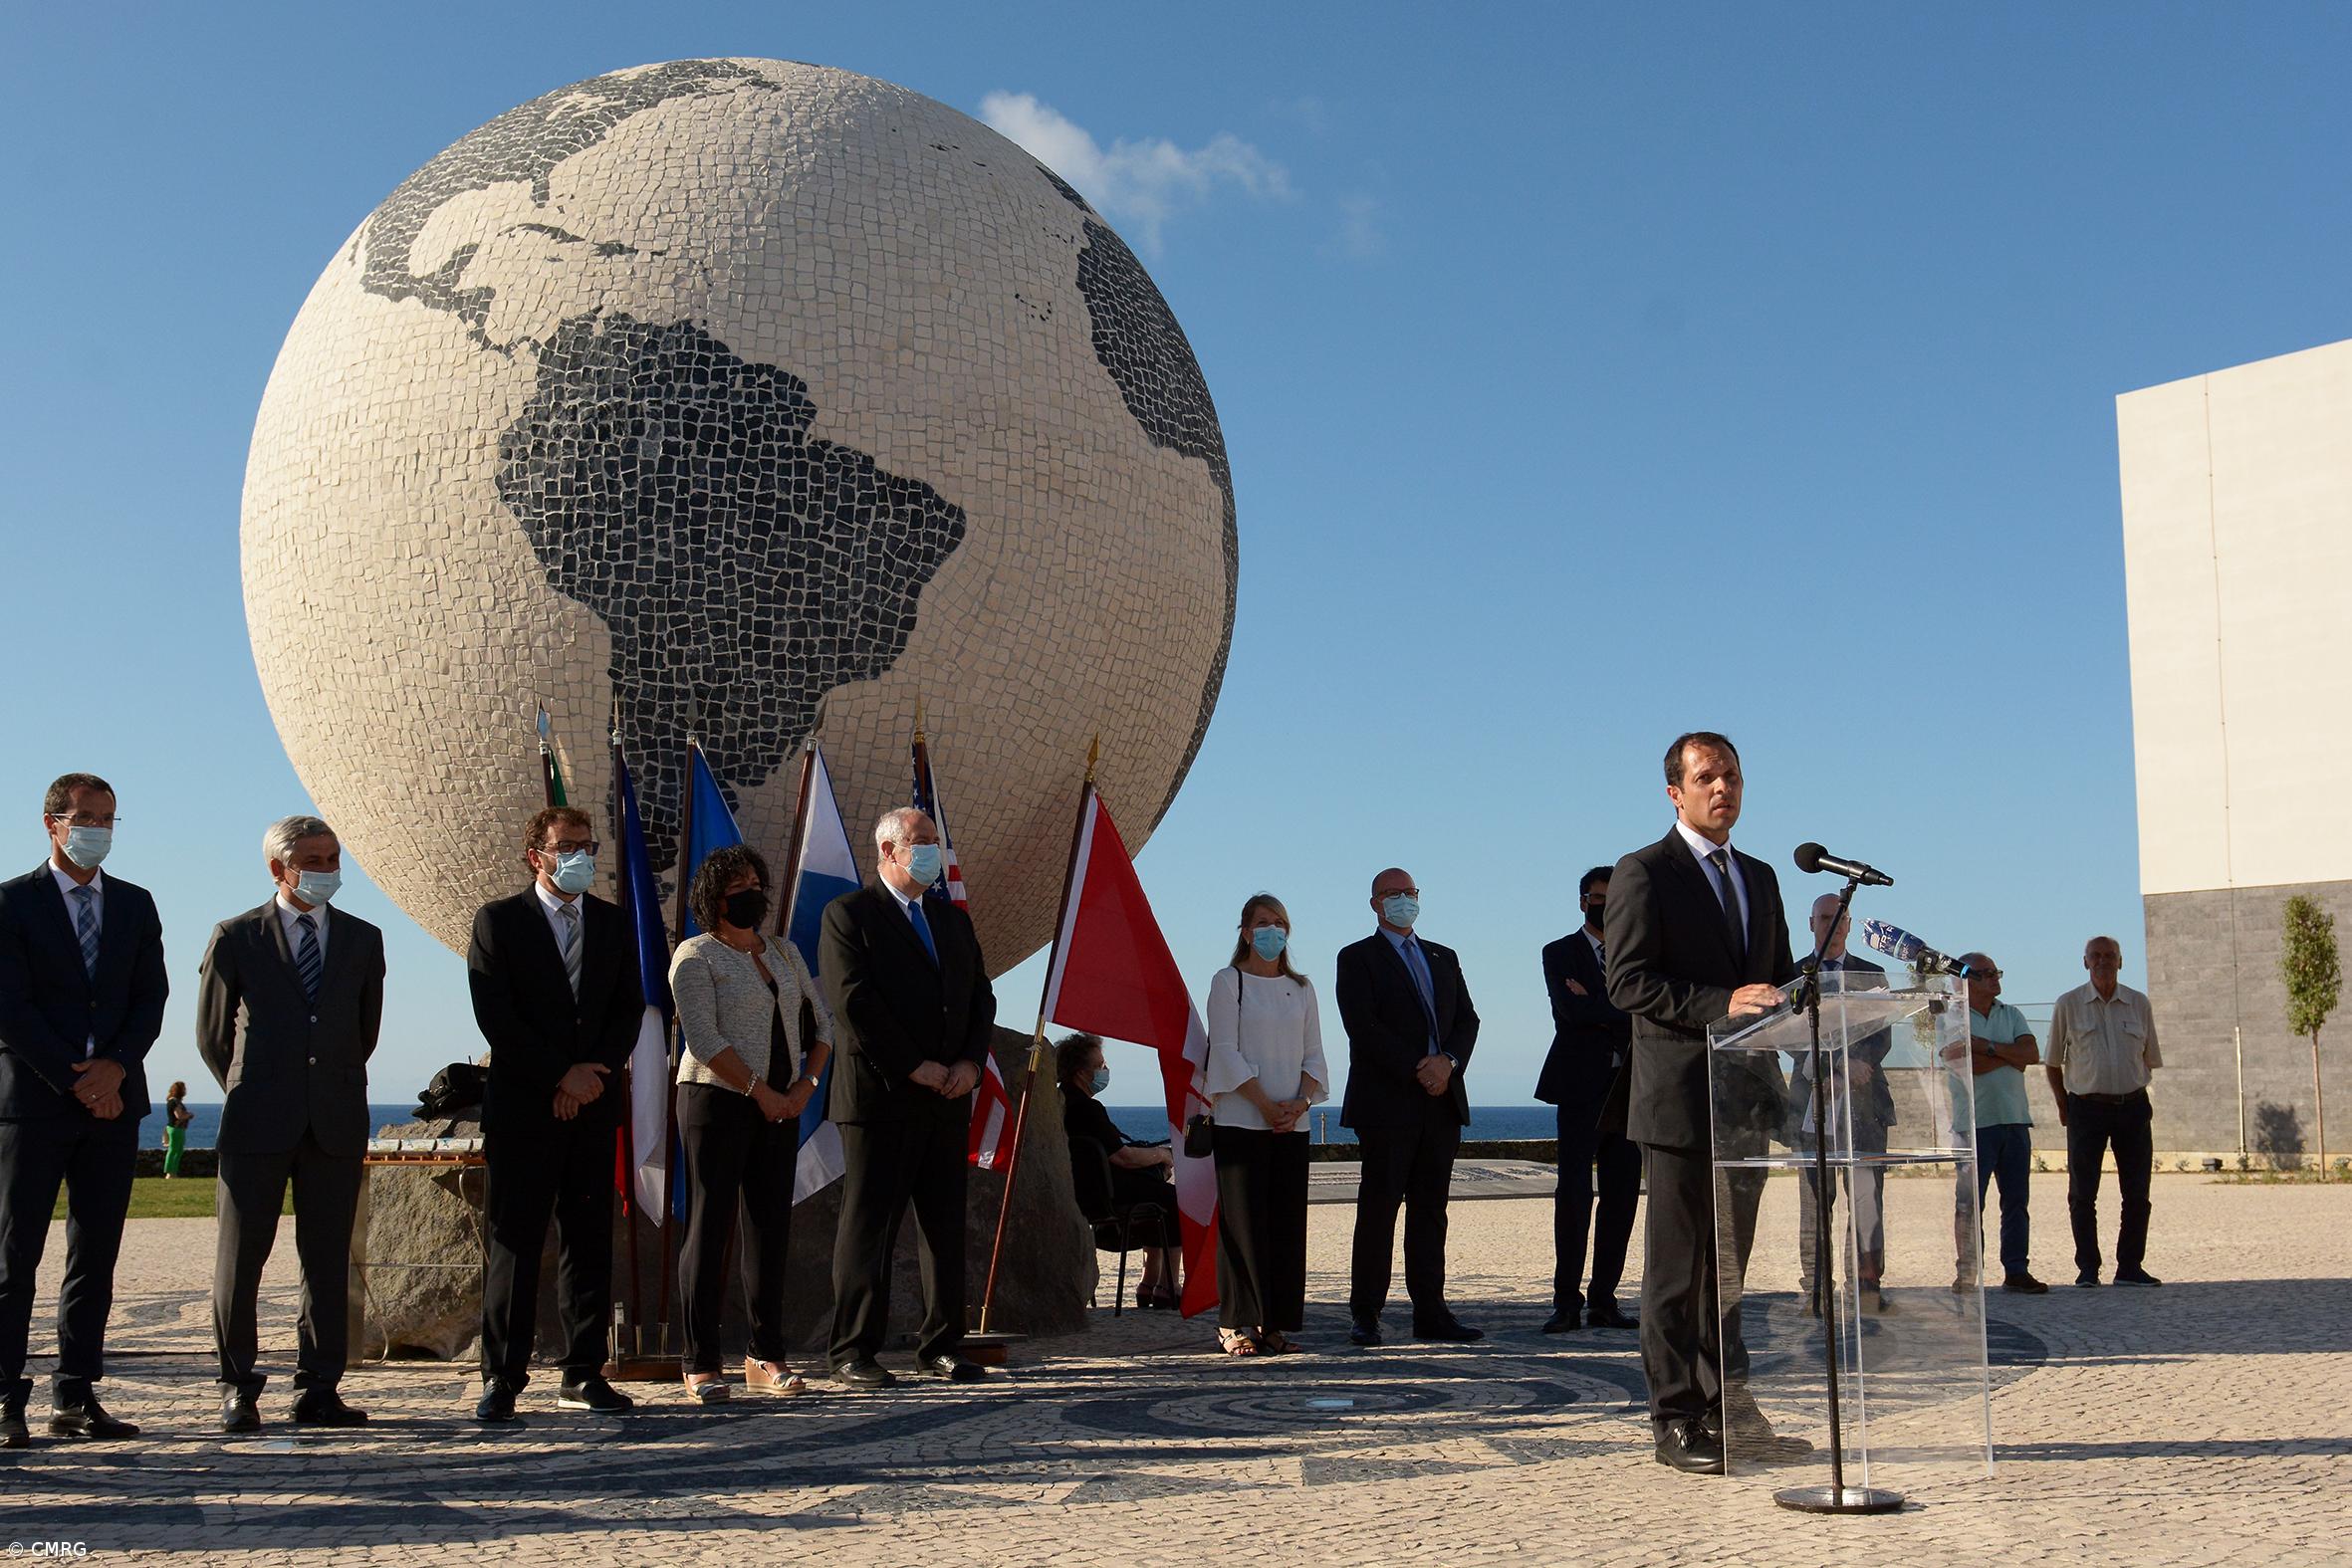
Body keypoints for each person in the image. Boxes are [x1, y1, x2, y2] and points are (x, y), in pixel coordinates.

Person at [1604, 732, 1797, 1475]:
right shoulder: (1644, 871)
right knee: (1679, 1271)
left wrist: (1813, 997)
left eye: (1734, 776)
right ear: (1674, 792)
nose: (1723, 787)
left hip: (1745, 1100)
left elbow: (1773, 980)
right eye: (1707, 776)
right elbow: (1628, 981)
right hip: (1680, 1099)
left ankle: (1733, 1411)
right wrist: (1725, 1002)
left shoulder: (1762, 876)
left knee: (1730, 1271)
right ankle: (1676, 1417)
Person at [195, 814, 384, 1432]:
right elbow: (213, 1037)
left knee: (326, 1261)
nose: (327, 870)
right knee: (241, 1259)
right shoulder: (236, 936)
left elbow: (364, 1031)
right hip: (257, 1122)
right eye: (313, 859)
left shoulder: (362, 939)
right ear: (279, 868)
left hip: (333, 1119)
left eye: (333, 858)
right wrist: (259, 1088)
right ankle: (237, 1386)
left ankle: (319, 1387)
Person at [0, 772, 167, 1448]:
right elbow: (11, 1008)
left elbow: (149, 998)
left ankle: (76, 1394)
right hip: (34, 1103)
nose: (98, 828)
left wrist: (115, 1066)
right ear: (53, 823)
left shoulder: (135, 903)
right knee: (15, 1257)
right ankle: (6, 1397)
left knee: (94, 1256)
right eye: (86, 817)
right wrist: (78, 1078)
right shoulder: (13, 902)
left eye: (108, 818)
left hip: (115, 1105)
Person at [467, 805, 644, 1422]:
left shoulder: (613, 923)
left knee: (589, 1240)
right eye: (566, 846)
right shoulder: (498, 922)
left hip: (593, 1107)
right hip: (524, 1109)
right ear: (534, 856)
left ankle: (583, 1372)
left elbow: (628, 1009)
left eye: (587, 845)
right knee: (515, 1242)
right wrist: (558, 1075)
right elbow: (497, 1015)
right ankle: (503, 1377)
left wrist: (589, 1076)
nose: (579, 857)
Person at [820, 807, 996, 1387]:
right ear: (888, 852)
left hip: (948, 1095)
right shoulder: (850, 915)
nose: (931, 852)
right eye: (919, 842)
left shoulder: (952, 921)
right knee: (870, 1226)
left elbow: (979, 998)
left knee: (944, 1227)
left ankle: (942, 1344)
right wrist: (914, 1066)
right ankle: (852, 1350)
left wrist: (969, 1063)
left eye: (934, 842)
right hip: (882, 1096)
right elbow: (855, 1004)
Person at [669, 843, 832, 1404]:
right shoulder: (696, 955)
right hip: (716, 1102)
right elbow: (703, 1037)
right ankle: (699, 1362)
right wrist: (758, 1091)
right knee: (709, 1228)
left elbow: (823, 1023)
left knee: (769, 1229)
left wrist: (803, 1088)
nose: (753, 896)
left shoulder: (785, 952)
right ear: (715, 899)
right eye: (739, 888)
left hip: (783, 1105)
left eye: (757, 885)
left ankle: (765, 1355)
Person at [1336, 868, 1481, 1347]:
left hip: (1442, 1103)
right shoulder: (1357, 958)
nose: (1403, 901)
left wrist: (1448, 1064)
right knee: (1378, 1209)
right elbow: (1363, 1025)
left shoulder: (1444, 956)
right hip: (1387, 1103)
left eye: (1410, 893)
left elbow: (1467, 1019)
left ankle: (1431, 1313)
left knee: (1430, 1211)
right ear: (1375, 903)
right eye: (1393, 895)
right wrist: (1420, 1068)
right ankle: (1367, 1313)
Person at [1205, 894, 1328, 1356]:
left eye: (1279, 923)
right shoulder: (1228, 981)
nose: (1272, 931)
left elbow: (1314, 1053)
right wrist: (1262, 1103)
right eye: (1263, 923)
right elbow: (1225, 1050)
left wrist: (1298, 1103)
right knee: (1242, 1225)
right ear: (1245, 931)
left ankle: (1276, 1322)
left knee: (1285, 1225)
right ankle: (1236, 1323)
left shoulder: (1303, 987)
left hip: (1290, 1126)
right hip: (1240, 1122)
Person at [1535, 868, 1640, 1334]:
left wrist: (1598, 1004)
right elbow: (1571, 1013)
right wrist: (1616, 1009)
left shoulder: (1639, 955)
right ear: (1583, 902)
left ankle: (1604, 1299)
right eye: (1598, 898)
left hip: (1632, 1089)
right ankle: (1565, 1301)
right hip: (1579, 1090)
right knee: (1574, 1198)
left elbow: (1646, 1012)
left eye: (1613, 898)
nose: (1605, 906)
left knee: (1621, 1199)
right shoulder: (1559, 952)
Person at [1784, 893, 1894, 1316]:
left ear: (1848, 925)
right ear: (1811, 923)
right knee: (1815, 1201)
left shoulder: (1872, 974)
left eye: (1839, 918)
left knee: (1867, 1197)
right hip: (1813, 1100)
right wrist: (1833, 1068)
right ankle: (1815, 1289)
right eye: (1824, 918)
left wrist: (1860, 1063)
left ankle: (1866, 1286)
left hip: (1866, 1102)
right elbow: (1789, 1035)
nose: (1832, 925)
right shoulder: (1793, 975)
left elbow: (1881, 1029)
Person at [2044, 935, 2162, 1287]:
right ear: (2085, 963)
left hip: (2133, 1107)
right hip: (2086, 1109)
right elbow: (2052, 1062)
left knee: (2137, 1192)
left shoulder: (2139, 1004)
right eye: (2095, 956)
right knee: (2082, 1193)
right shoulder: (2069, 1004)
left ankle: (2130, 1267)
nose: (2102, 961)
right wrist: (2064, 1106)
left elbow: (2149, 1058)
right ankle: (2088, 1269)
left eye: (2109, 955)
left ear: (2121, 961)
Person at [1058, 1032, 1181, 1309]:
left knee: (1156, 1190)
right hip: (1105, 1195)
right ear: (1081, 1073)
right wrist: (1161, 1155)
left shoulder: (1063, 1102)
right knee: (1172, 1199)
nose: (1106, 1071)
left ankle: (1149, 1282)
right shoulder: (1088, 1108)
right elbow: (1123, 1157)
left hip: (1083, 1189)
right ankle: (1166, 1285)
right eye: (1100, 1066)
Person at [1953, 952, 2045, 1293]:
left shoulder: (2013, 1014)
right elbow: (1966, 1064)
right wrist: (2009, 1055)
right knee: (1969, 1205)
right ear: (1967, 979)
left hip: (2015, 1120)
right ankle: (1967, 1275)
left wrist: (1987, 1047)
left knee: (2017, 1202)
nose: (1995, 978)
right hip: (1974, 1124)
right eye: (1986, 973)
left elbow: (2031, 1055)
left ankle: (2017, 1270)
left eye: (1996, 972)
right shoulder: (1953, 1017)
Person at [162, 1082, 191, 1178]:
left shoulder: (174, 1101)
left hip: (177, 1128)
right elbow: (179, 1116)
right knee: (174, 1150)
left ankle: (173, 1171)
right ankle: (170, 1172)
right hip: (175, 1128)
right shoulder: (174, 1102)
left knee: (178, 1150)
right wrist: (188, 1115)